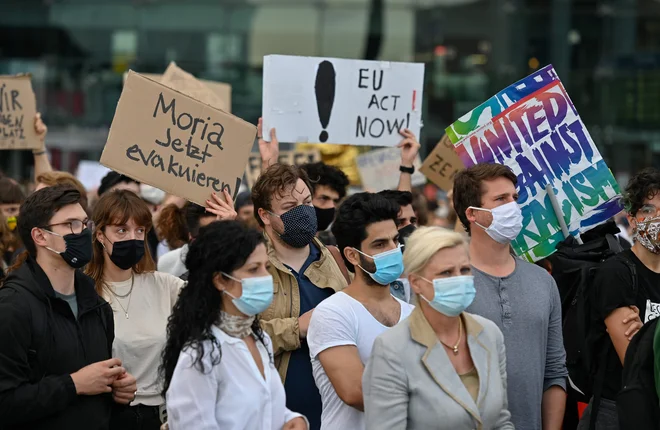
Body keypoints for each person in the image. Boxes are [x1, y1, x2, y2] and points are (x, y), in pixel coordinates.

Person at [0, 185, 137, 430]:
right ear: (40, 236)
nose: (83, 233)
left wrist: (118, 392)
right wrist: (73, 384)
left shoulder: (96, 304)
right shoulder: (13, 307)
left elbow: (97, 389)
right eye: (71, 225)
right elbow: (6, 402)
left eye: (85, 224)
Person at [452, 163, 568, 430]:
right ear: (472, 214)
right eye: (501, 199)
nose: (513, 207)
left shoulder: (543, 283)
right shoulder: (446, 282)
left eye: (514, 198)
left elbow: (554, 372)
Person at [160, 221, 308, 429]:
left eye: (266, 267)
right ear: (220, 280)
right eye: (253, 269)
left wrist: (291, 419)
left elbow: (262, 405)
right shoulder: (202, 354)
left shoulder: (258, 338)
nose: (266, 277)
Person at [363, 226, 513, 429]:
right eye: (446, 273)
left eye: (465, 270)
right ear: (416, 283)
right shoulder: (391, 349)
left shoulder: (489, 333)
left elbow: (501, 420)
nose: (459, 279)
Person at [252, 163, 349, 430]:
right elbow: (236, 339)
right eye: (289, 207)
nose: (303, 212)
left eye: (306, 202)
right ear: (265, 215)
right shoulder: (250, 268)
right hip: (278, 417)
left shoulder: (335, 259)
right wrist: (297, 328)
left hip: (338, 414)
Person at [307, 192, 415, 430]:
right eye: (380, 244)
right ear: (353, 255)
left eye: (395, 241)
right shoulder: (333, 313)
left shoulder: (414, 314)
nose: (393, 250)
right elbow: (357, 392)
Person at [86, 189, 186, 430]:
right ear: (100, 235)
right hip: (106, 417)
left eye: (139, 230)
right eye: (121, 230)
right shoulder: (84, 292)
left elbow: (217, 296)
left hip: (161, 417)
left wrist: (225, 228)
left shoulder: (165, 286)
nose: (133, 237)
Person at [578, 168, 660, 429]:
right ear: (632, 220)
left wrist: (645, 339)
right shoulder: (617, 273)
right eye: (648, 210)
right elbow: (635, 365)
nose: (657, 218)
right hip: (619, 414)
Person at [157, 192, 235, 278]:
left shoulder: (240, 257)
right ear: (192, 238)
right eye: (213, 236)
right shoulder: (168, 264)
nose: (219, 241)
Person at [300, 161, 350, 232]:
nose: (331, 206)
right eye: (324, 198)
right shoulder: (283, 241)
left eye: (335, 201)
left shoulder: (334, 240)